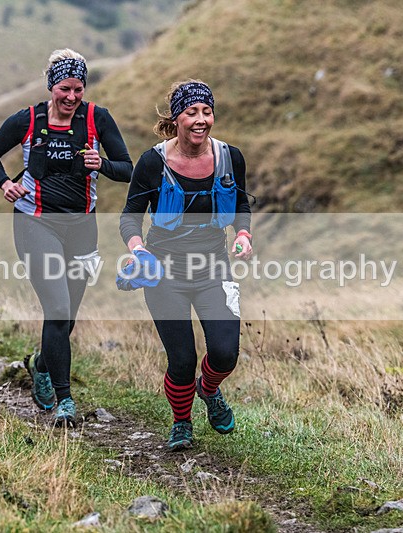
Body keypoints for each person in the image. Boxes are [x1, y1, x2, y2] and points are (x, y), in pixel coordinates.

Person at [0, 49, 132, 426]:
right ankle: (65, 401)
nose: (72, 96)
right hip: (36, 223)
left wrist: (103, 164)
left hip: (82, 226)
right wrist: (5, 184)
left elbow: (128, 169)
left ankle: (42, 365)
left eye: (78, 89)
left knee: (68, 316)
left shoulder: (97, 118)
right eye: (65, 88)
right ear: (51, 86)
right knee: (59, 309)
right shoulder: (28, 120)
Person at [119, 79, 253, 451]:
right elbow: (130, 217)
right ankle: (182, 423)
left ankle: (208, 389)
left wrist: (243, 234)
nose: (200, 120)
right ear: (176, 118)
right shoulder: (152, 162)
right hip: (164, 272)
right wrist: (138, 250)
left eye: (207, 111)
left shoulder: (230, 157)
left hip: (214, 267)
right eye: (192, 112)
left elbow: (241, 205)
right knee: (181, 359)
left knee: (225, 354)